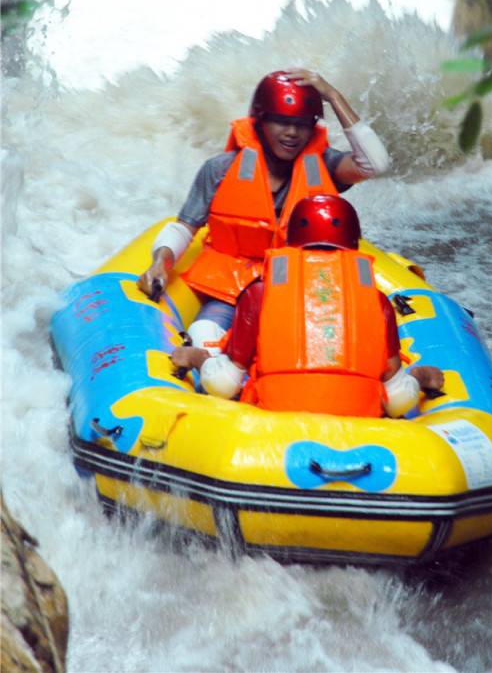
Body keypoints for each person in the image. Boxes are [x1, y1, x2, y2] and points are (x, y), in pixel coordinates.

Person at [137, 69, 391, 354]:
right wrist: (160, 263)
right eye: (281, 122)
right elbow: (184, 227)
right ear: (260, 121)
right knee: (202, 336)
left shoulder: (326, 164)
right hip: (233, 288)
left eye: (302, 124)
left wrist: (332, 96)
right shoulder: (220, 169)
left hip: (302, 289)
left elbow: (375, 164)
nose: (292, 133)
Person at [172, 195, 444, 418]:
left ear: (292, 242)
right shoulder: (376, 301)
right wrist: (418, 377)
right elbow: (397, 399)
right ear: (352, 245)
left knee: (204, 331)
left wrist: (196, 358)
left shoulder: (260, 293)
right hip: (361, 427)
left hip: (273, 425)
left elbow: (223, 384)